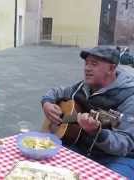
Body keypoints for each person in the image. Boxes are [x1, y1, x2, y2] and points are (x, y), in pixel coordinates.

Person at [41, 46, 134, 178]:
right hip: (80, 148)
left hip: (117, 159)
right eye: (86, 63)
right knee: (42, 165)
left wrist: (98, 133)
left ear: (111, 68)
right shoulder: (82, 86)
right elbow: (57, 91)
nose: (87, 68)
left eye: (94, 64)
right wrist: (47, 102)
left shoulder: (129, 97)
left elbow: (124, 144)